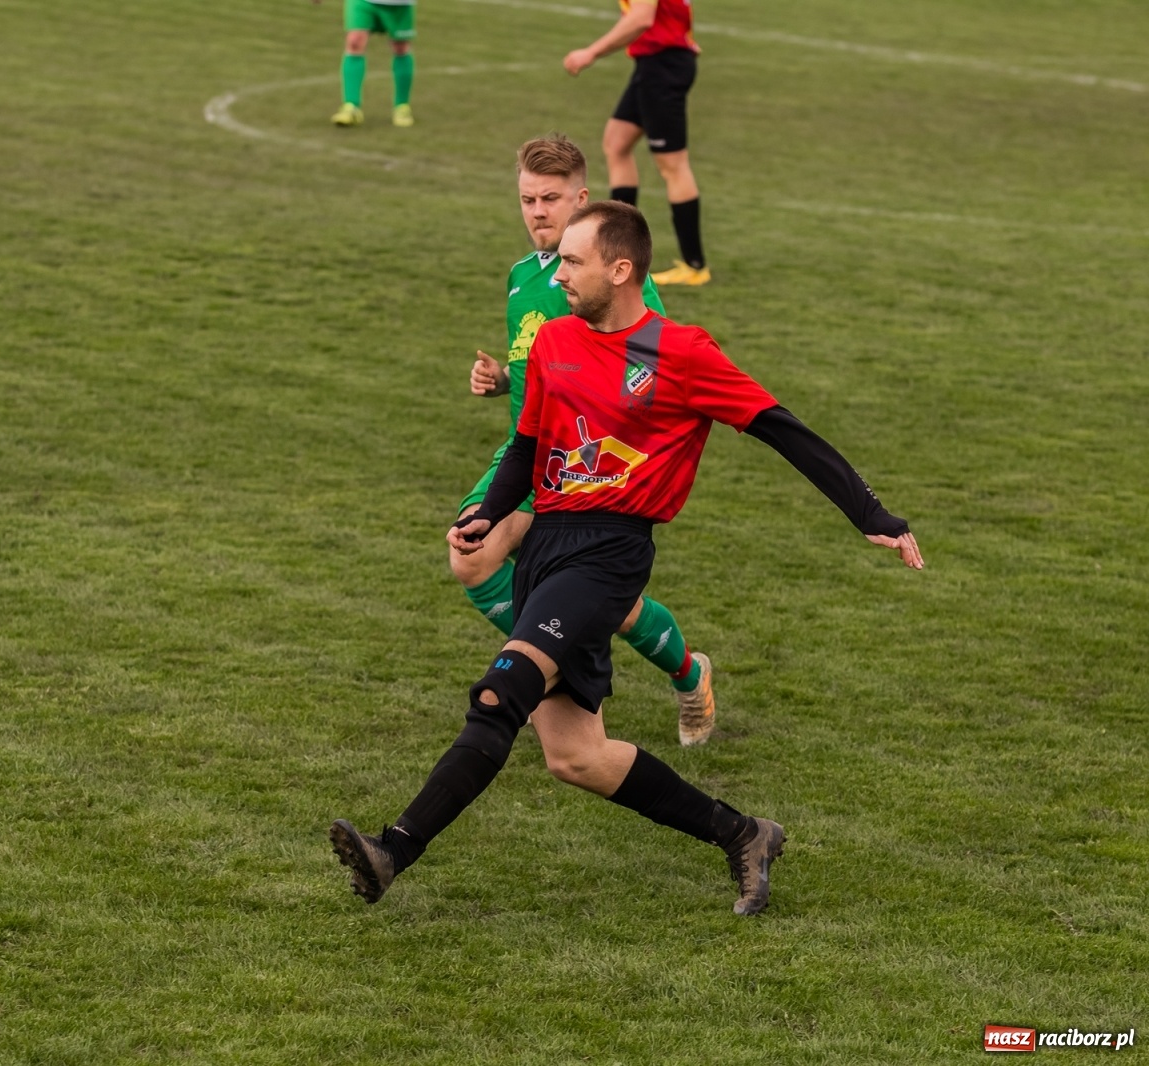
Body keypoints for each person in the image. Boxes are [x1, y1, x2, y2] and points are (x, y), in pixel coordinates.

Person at [332, 200, 923, 915]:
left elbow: (781, 428)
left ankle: (393, 852)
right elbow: (528, 447)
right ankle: (745, 834)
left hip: (608, 554)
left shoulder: (680, 352)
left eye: (573, 261)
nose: (559, 274)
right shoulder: (555, 341)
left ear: (620, 269)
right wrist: (488, 514)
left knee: (499, 694)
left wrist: (871, 514)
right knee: (576, 756)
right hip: (547, 543)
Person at [459, 134, 718, 747]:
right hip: (524, 453)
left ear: (581, 200)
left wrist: (612, 411)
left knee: (605, 604)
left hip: (583, 463)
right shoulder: (522, 275)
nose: (537, 212)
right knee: (473, 556)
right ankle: (548, 668)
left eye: (550, 199)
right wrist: (503, 380)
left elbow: (647, 355)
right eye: (527, 199)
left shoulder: (611, 274)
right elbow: (537, 364)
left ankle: (686, 675)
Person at [562, 0, 710, 286]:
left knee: (673, 165)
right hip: (655, 63)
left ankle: (695, 266)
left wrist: (591, 52)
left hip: (663, 64)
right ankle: (619, 247)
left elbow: (642, 17)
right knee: (616, 143)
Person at [318, 0, 416, 127]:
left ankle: (402, 106)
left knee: (400, 47)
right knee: (355, 42)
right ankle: (351, 106)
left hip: (398, 5)